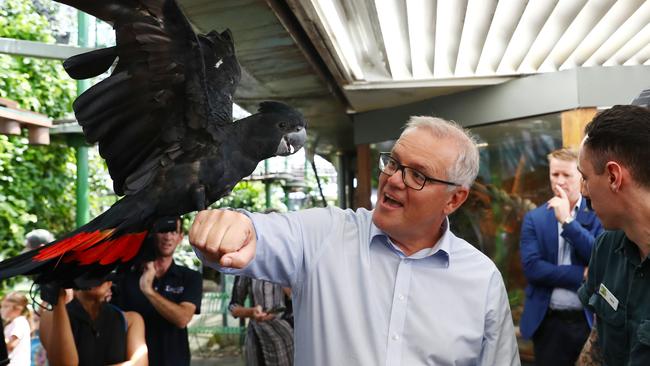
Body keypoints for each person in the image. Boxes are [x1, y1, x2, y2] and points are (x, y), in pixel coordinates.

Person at [189, 116, 520, 365]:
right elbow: (260, 233)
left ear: (453, 200)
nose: (393, 180)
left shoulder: (482, 280)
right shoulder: (324, 234)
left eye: (417, 175)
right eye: (393, 163)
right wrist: (233, 227)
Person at [576, 104, 650, 365]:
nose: (583, 191)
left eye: (585, 178)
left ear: (613, 176)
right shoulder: (606, 248)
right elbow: (597, 341)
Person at [519, 148, 603, 365]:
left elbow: (600, 258)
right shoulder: (535, 218)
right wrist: (581, 273)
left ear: (580, 177)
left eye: (567, 175)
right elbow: (532, 269)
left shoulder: (598, 213)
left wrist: (567, 222)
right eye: (555, 174)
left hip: (587, 320)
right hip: (549, 322)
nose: (560, 181)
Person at [112, 216, 203, 366]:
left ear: (180, 237)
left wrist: (148, 290)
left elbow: (182, 319)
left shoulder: (190, 277)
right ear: (152, 234)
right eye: (163, 231)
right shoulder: (126, 276)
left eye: (173, 231)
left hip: (174, 361)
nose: (168, 237)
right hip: (135, 361)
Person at [39, 278, 147, 366]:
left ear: (110, 282)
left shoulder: (130, 319)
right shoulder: (50, 317)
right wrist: (58, 301)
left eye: (104, 271)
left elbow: (140, 363)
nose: (97, 278)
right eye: (90, 273)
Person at [229, 275, 294, 366]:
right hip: (257, 336)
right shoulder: (247, 267)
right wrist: (251, 312)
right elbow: (233, 308)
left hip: (285, 336)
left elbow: (303, 299)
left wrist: (284, 281)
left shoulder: (285, 266)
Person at [1, 292, 31, 366]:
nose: (1, 309)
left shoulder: (19, 322)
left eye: (5, 306)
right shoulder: (13, 322)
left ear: (17, 308)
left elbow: (11, 345)